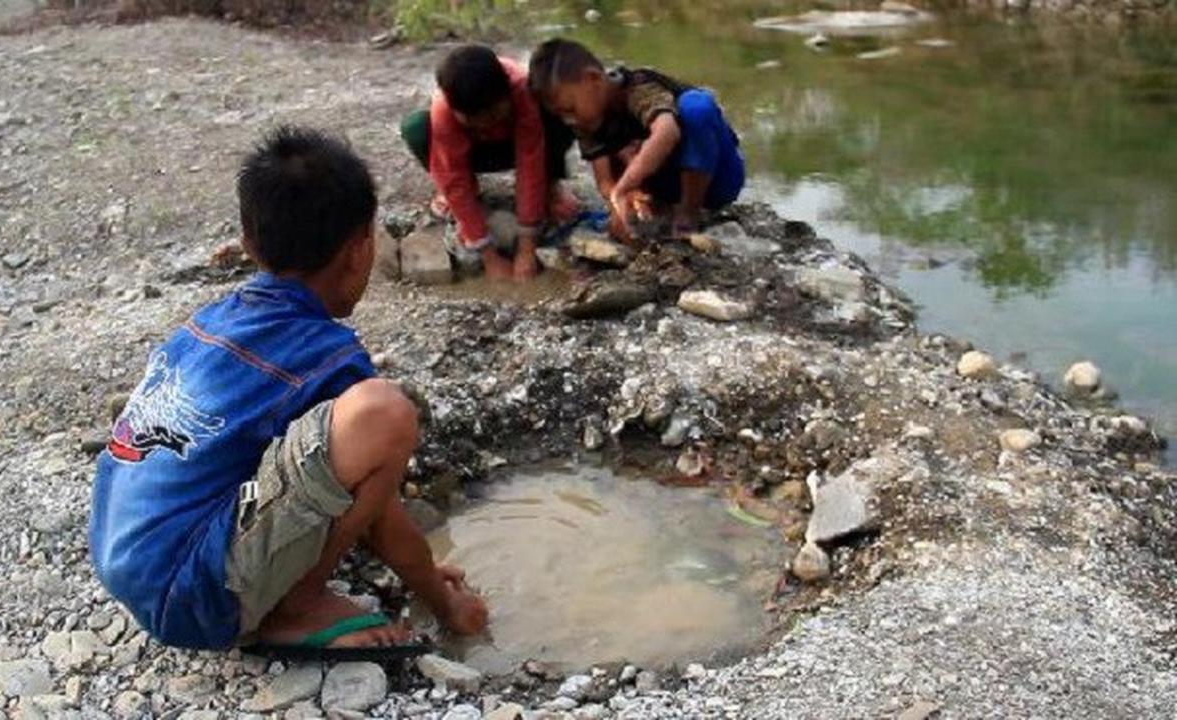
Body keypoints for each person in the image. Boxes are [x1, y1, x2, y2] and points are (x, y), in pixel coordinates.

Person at [89, 125, 488, 651]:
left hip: (124, 559)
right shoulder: (325, 357)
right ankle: (295, 605)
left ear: (250, 243)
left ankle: (276, 588)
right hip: (191, 598)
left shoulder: (211, 322)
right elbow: (383, 515)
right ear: (358, 250)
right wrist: (442, 599)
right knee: (384, 414)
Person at [527, 38, 745, 242]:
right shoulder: (586, 120)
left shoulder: (638, 88)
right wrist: (619, 206)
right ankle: (665, 209)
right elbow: (604, 180)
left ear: (593, 79)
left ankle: (689, 213)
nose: (569, 119)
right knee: (623, 160)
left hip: (717, 177)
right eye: (562, 115)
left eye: (570, 109)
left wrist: (625, 185)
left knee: (697, 107)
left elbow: (667, 132)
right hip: (668, 187)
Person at [401, 44, 579, 280]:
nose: (485, 125)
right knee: (416, 128)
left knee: (556, 109)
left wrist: (527, 247)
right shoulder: (444, 110)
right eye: (474, 121)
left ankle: (550, 188)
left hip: (516, 145)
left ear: (506, 95)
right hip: (474, 154)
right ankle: (458, 198)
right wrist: (488, 255)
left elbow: (530, 162)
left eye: (493, 116)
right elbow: (453, 175)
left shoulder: (522, 88)